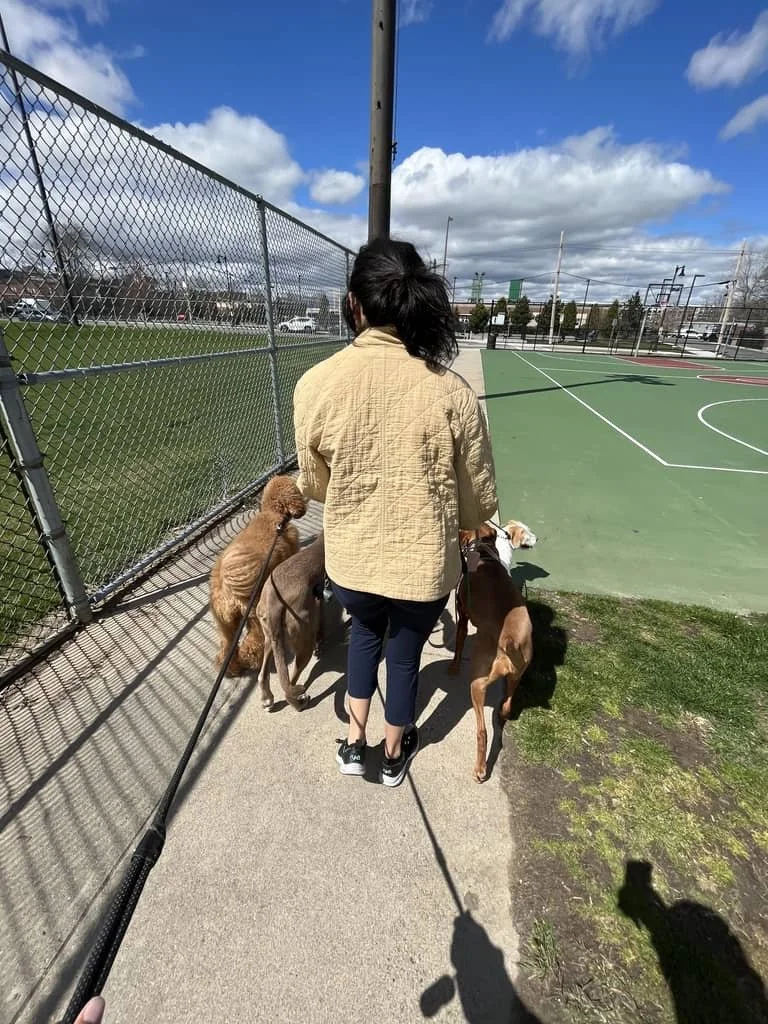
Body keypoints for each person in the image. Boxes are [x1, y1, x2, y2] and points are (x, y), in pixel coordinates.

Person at [293, 237, 497, 787]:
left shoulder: (315, 383)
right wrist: (470, 531)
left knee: (364, 637)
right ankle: (392, 752)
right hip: (423, 567)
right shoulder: (451, 391)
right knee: (405, 657)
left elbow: (313, 485)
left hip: (353, 564)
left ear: (355, 304)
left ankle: (353, 743)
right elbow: (479, 498)